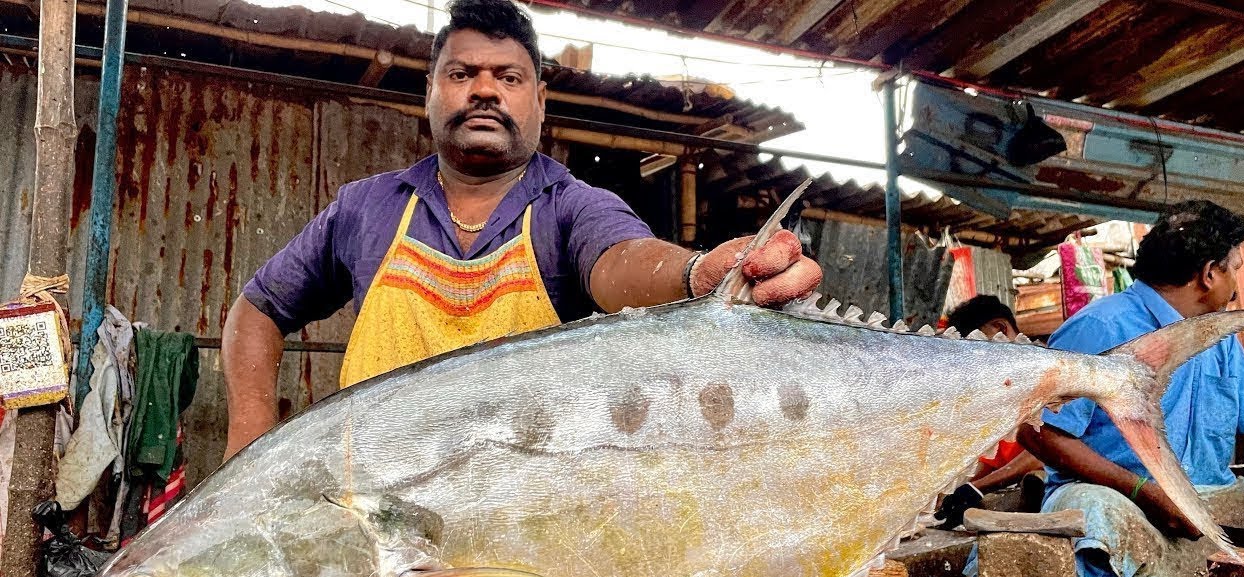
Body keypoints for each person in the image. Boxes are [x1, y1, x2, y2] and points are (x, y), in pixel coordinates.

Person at [220, 0, 822, 460]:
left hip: (528, 514)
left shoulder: (570, 207)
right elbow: (257, 309)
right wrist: (250, 444)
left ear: (538, 99)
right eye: (462, 74)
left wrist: (695, 273)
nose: (484, 89)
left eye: (507, 78)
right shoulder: (366, 208)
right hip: (380, 519)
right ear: (430, 91)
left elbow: (619, 261)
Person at [1018, 200, 1244, 577]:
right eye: (1235, 269)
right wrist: (1145, 492)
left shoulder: (1223, 339)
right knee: (1093, 511)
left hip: (1209, 502)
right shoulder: (1101, 327)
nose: (1237, 286)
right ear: (1209, 273)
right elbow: (1037, 431)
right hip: (1125, 498)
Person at [933, 295, 1044, 529]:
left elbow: (1043, 456)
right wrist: (948, 492)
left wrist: (978, 488)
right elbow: (993, 459)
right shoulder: (1006, 387)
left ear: (1001, 328)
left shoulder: (1049, 374)